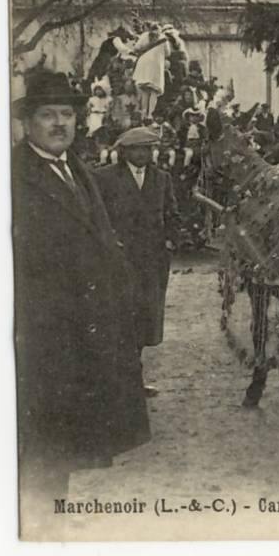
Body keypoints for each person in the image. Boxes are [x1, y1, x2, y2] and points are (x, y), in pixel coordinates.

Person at [12, 69, 150, 535]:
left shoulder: (78, 171)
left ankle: (46, 521)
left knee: (61, 443)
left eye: (67, 115)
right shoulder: (10, 177)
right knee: (36, 442)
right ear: (26, 123)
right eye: (47, 115)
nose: (58, 124)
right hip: (40, 337)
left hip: (83, 336)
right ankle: (29, 534)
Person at [95, 127, 180, 397]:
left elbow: (172, 214)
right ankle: (118, 382)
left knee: (145, 319)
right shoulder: (104, 178)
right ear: (124, 151)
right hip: (119, 261)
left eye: (147, 148)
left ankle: (134, 380)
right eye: (136, 149)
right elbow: (96, 216)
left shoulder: (161, 178)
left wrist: (169, 242)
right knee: (119, 318)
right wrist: (109, 242)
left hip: (152, 262)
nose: (142, 154)